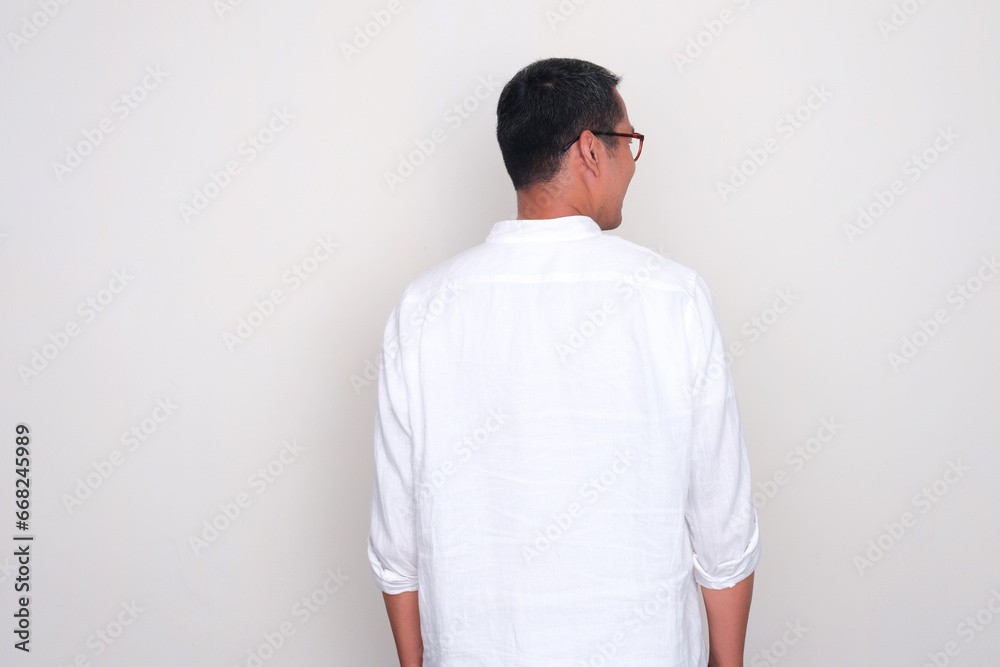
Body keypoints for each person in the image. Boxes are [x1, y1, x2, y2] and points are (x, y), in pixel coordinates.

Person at [368, 57, 760, 667]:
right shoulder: (673, 297)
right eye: (629, 141)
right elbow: (722, 527)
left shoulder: (422, 308)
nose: (634, 163)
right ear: (591, 150)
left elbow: (397, 547)